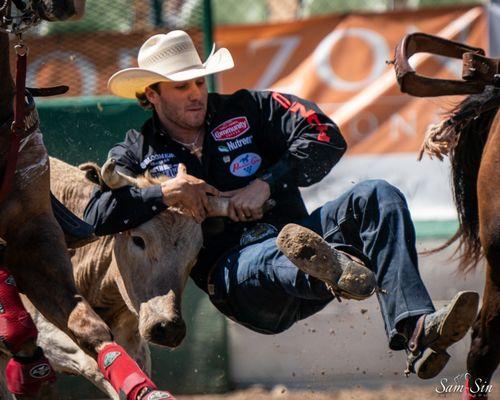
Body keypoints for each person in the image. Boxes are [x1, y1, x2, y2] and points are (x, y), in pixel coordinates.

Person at [84, 30, 479, 379]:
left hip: (302, 243)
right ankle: (336, 263)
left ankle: (414, 325)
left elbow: (326, 134)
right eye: (181, 86)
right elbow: (96, 214)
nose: (196, 93)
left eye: (199, 82)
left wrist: (266, 185)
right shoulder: (136, 150)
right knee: (284, 249)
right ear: (151, 94)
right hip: (235, 281)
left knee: (378, 195)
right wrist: (166, 193)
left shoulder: (248, 109)